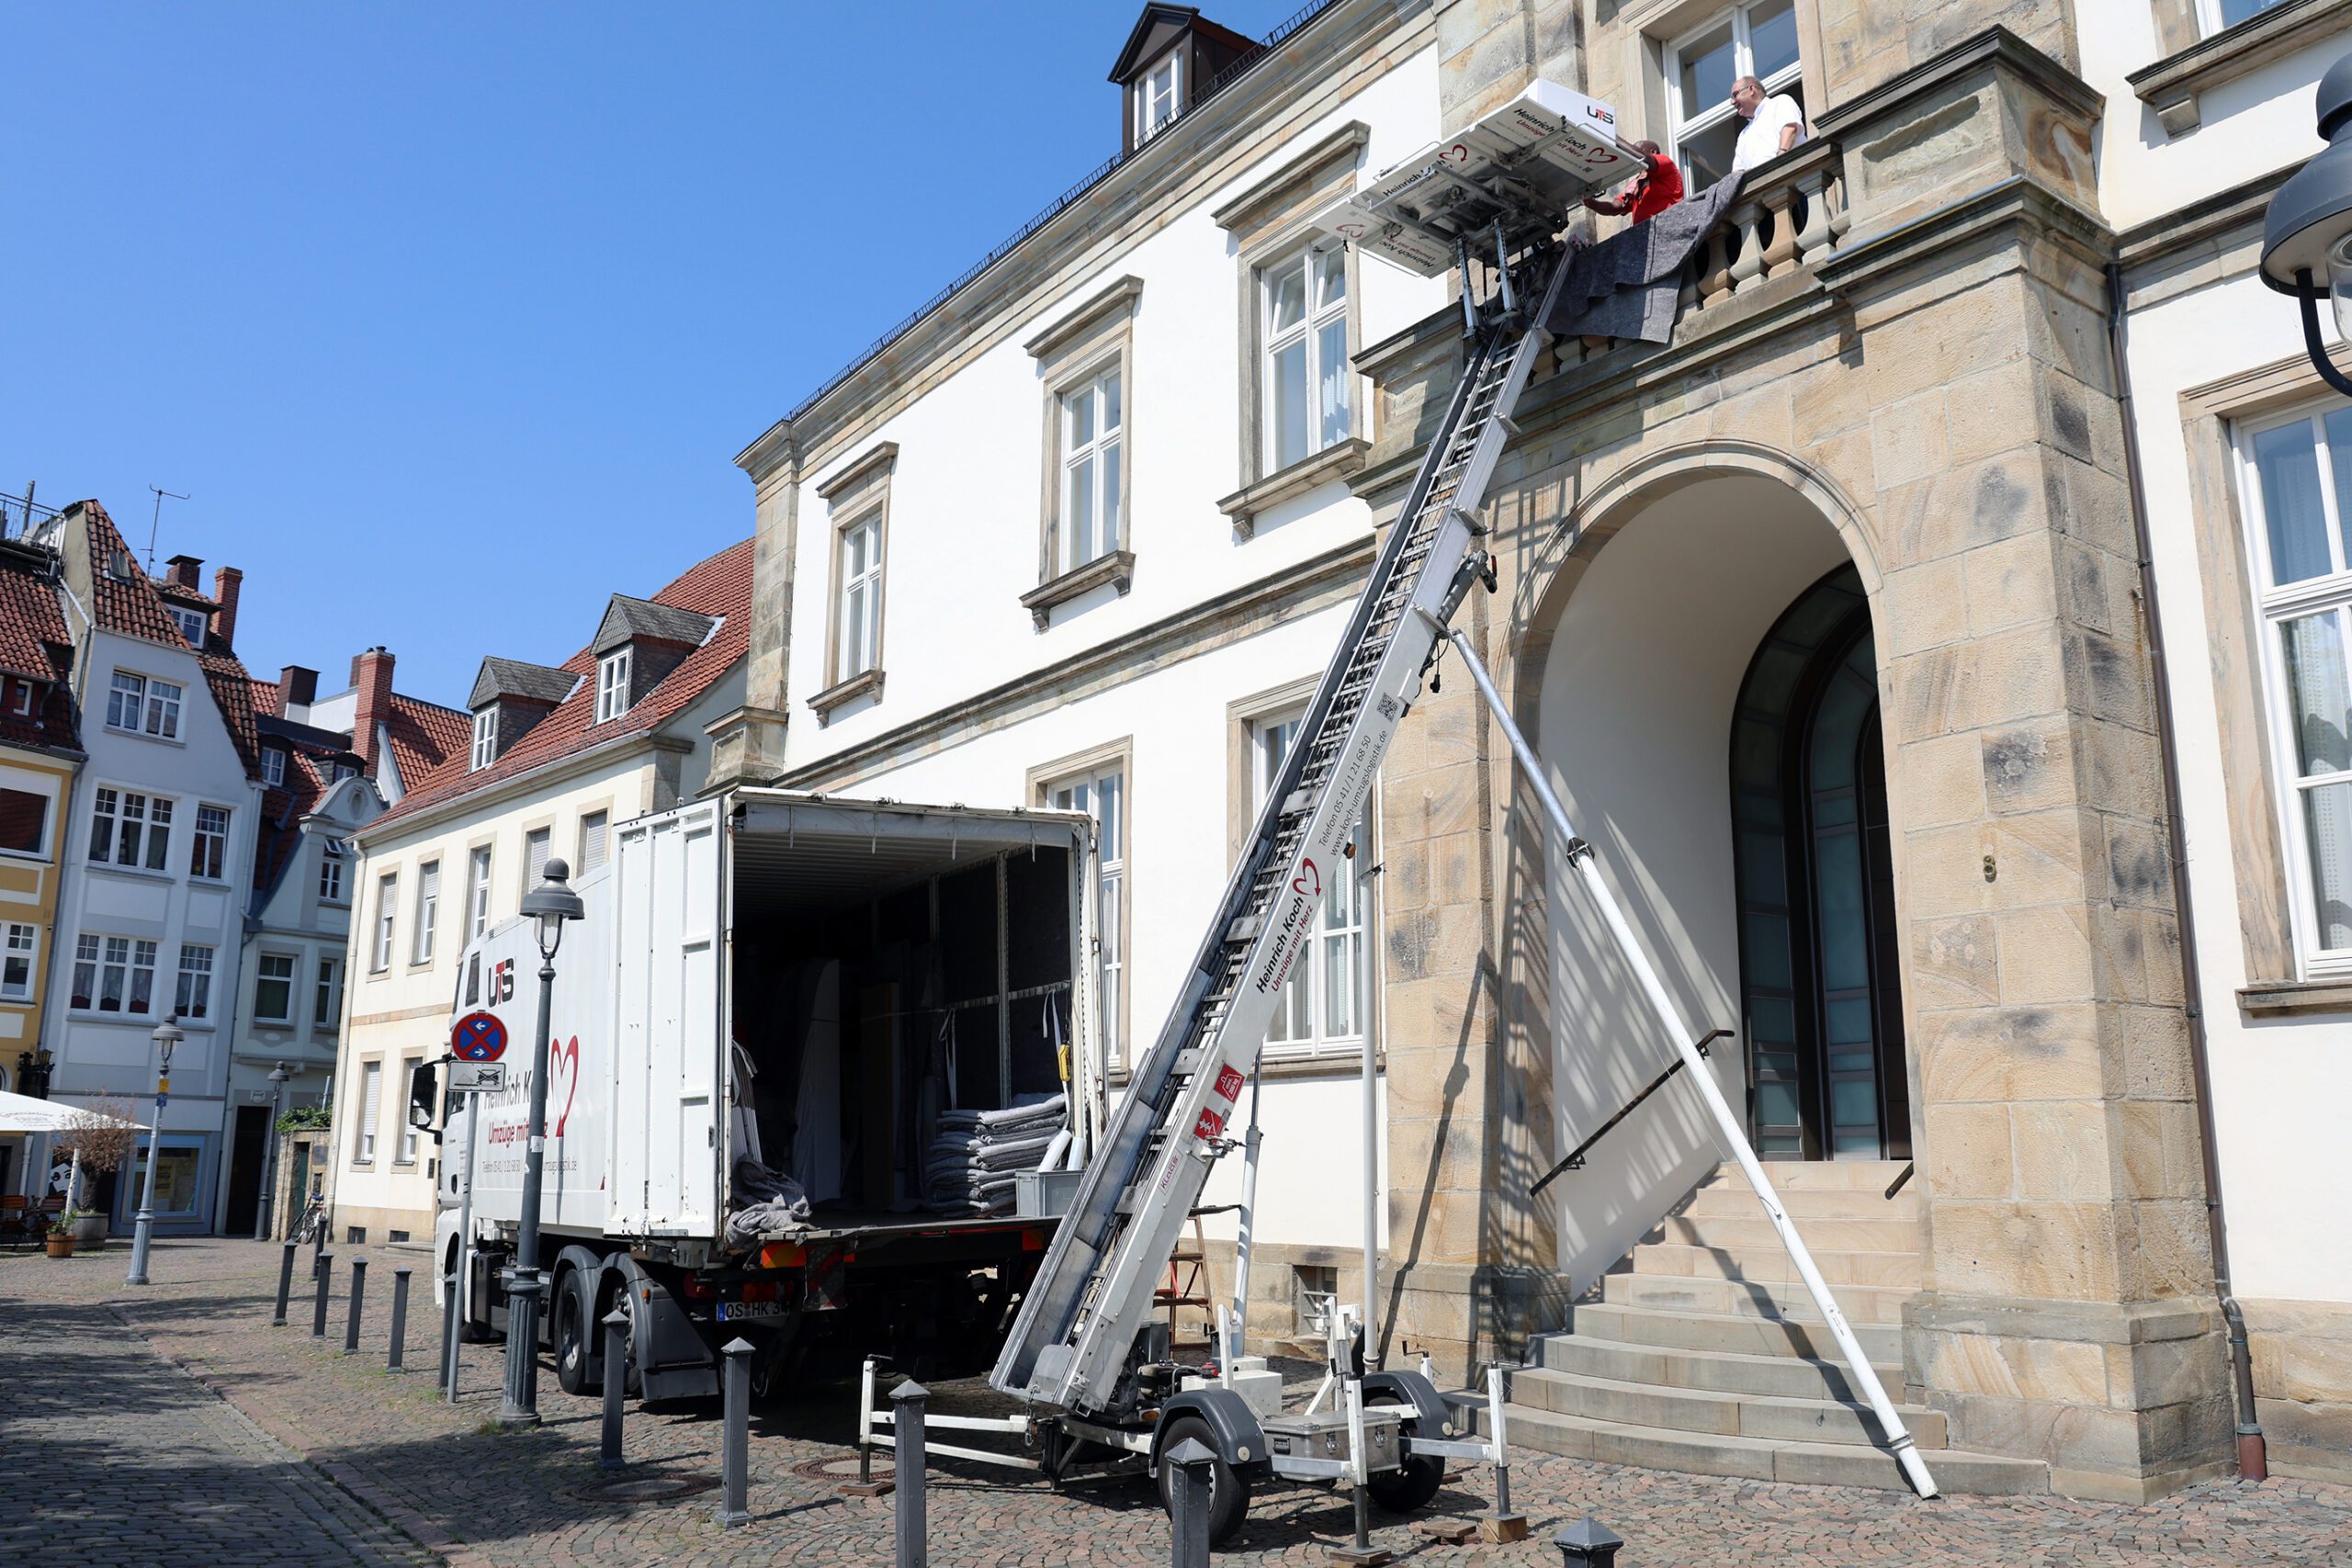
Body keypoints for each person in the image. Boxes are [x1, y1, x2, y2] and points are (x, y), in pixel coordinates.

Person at [1583, 141, 1684, 222]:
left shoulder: (1666, 164)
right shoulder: (1636, 185)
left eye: (1637, 150)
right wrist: (1592, 203)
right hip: (1644, 237)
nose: (1631, 157)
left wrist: (1612, 137)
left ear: (1653, 152)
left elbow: (1645, 158)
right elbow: (1615, 207)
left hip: (1668, 225)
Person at [1730, 75, 1807, 173]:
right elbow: (1737, 171)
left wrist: (1780, 163)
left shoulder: (1779, 102)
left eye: (1735, 94)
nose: (1733, 102)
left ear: (1751, 89)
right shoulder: (1743, 134)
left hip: (1789, 175)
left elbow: (1790, 129)